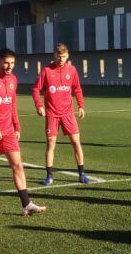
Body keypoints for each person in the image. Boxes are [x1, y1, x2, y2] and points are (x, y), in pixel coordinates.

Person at [0, 48, 45, 216]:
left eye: (12, 63)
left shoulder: (13, 79)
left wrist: (17, 125)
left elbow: (12, 103)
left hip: (8, 130)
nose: (9, 66)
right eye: (6, 62)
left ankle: (26, 204)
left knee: (17, 165)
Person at [32, 43, 90, 186]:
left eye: (64, 56)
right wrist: (39, 105)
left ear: (67, 55)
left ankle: (82, 173)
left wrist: (81, 106)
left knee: (76, 142)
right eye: (59, 56)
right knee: (51, 144)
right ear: (54, 55)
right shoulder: (46, 70)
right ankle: (49, 175)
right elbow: (35, 89)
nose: (61, 59)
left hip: (68, 114)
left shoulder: (72, 70)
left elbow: (77, 89)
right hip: (52, 114)